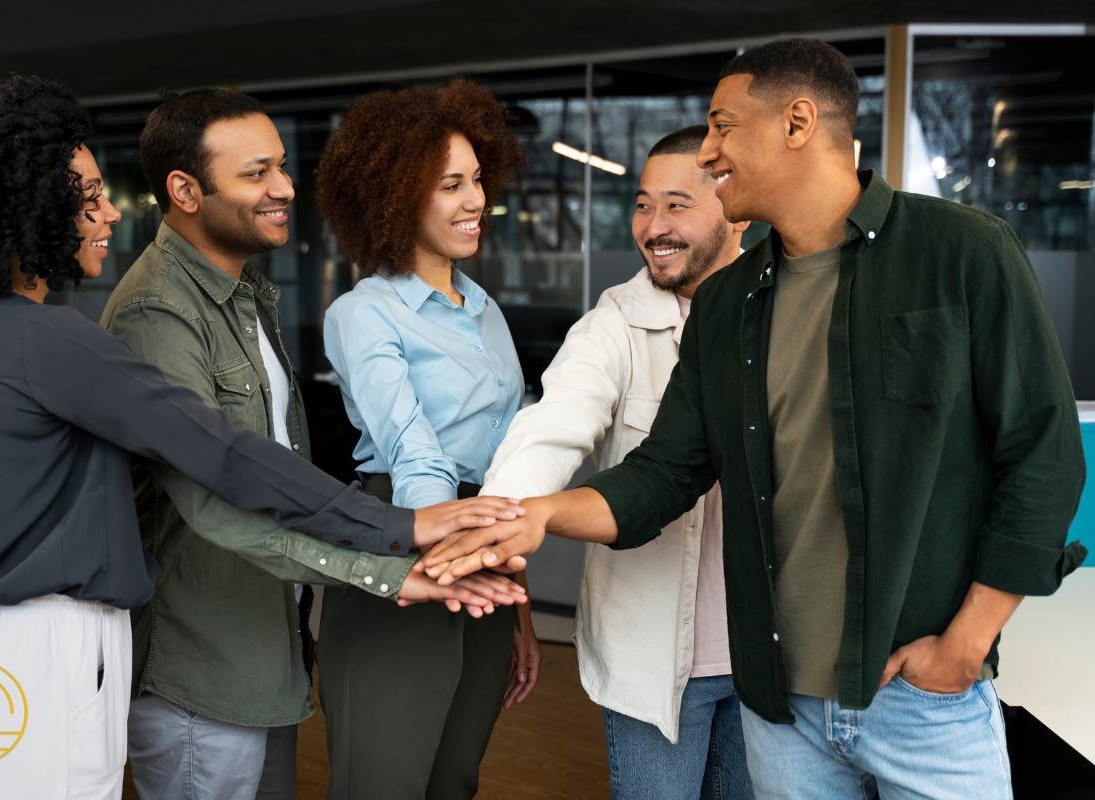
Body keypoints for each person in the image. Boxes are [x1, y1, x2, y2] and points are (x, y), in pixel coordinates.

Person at [423, 38, 1088, 800]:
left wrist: (966, 646)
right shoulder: (728, 304)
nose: (707, 153)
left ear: (798, 122)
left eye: (722, 126)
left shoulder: (961, 252)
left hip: (923, 699)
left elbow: (1044, 456)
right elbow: (664, 473)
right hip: (781, 711)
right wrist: (537, 514)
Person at [0, 75, 524, 800]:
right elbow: (220, 463)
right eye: (87, 197)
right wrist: (396, 531)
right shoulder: (58, 336)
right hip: (55, 650)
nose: (108, 214)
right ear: (24, 207)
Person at [98, 88, 523, 800]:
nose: (287, 188)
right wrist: (405, 561)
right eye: (258, 172)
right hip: (214, 650)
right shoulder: (159, 312)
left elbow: (276, 474)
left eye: (284, 167)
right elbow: (214, 504)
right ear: (185, 190)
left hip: (280, 628)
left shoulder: (248, 298)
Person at [481, 125, 752, 799]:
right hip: (653, 665)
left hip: (767, 662)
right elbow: (554, 423)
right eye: (641, 204)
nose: (653, 226)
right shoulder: (615, 324)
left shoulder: (779, 312)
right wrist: (502, 518)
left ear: (734, 205)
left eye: (676, 204)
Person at [314, 78, 538, 799]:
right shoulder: (363, 313)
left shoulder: (484, 309)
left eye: (477, 180)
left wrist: (516, 599)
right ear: (397, 193)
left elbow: (512, 463)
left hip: (488, 552)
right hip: (404, 544)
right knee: (383, 785)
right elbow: (415, 455)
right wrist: (455, 562)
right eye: (450, 185)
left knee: (455, 781)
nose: (475, 200)